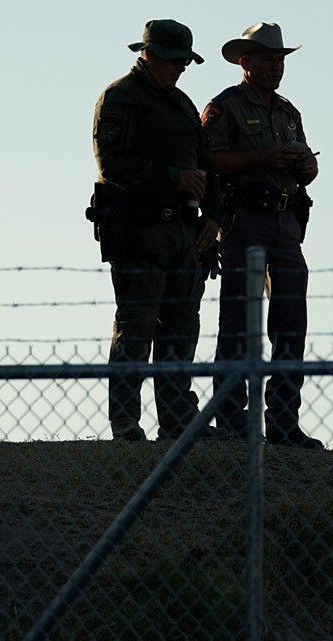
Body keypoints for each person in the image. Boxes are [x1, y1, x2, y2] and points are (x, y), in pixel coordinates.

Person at [89, 19, 230, 442]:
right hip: (139, 230)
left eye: (184, 61)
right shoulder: (120, 96)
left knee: (181, 330)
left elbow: (207, 166)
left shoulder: (183, 104)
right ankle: (126, 422)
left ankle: (177, 420)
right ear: (148, 54)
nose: (179, 67)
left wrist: (214, 217)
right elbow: (112, 164)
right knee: (136, 327)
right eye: (172, 59)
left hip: (185, 235)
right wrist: (173, 178)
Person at [201, 23, 322, 449]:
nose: (277, 66)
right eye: (268, 59)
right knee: (238, 326)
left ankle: (284, 424)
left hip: (287, 224)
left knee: (291, 326)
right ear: (244, 62)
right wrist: (262, 157)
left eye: (281, 59)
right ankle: (232, 423)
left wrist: (308, 167)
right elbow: (207, 161)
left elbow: (305, 170)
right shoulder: (225, 107)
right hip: (244, 221)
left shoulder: (289, 112)